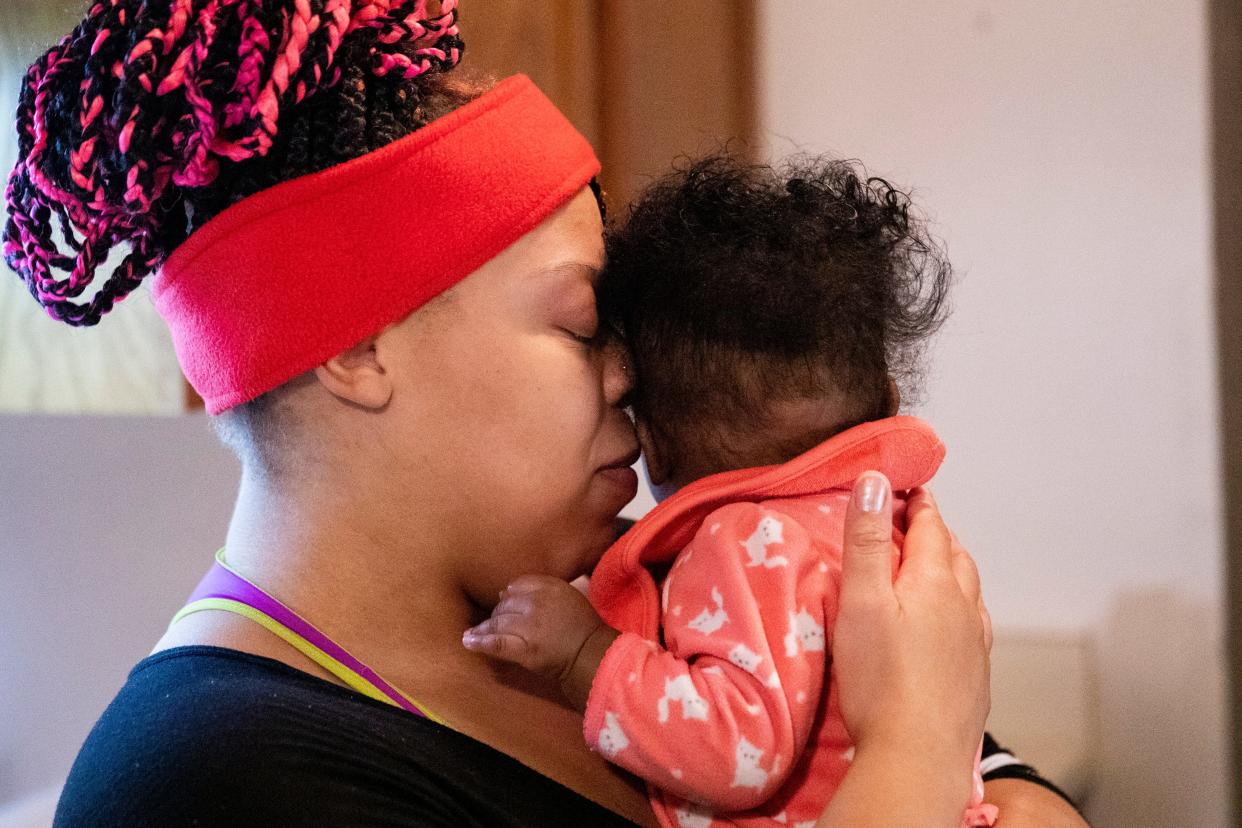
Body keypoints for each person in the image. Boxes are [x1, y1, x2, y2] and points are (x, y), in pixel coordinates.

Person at [1, 2, 1085, 826]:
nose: (632, 375)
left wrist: (946, 752)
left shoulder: (648, 587)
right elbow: (931, 752)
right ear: (356, 348)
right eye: (581, 325)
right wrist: (915, 742)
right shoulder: (204, 776)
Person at [461, 155, 996, 827]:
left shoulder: (747, 539)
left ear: (653, 441)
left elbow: (742, 752)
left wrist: (583, 655)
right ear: (886, 402)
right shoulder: (885, 525)